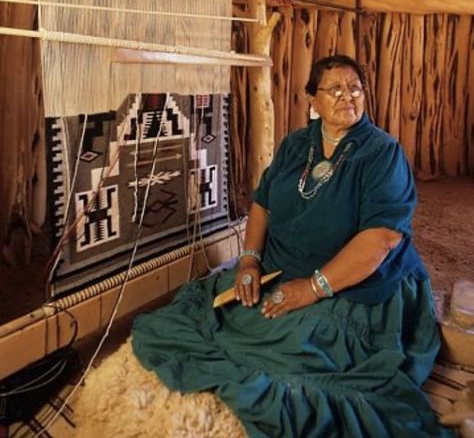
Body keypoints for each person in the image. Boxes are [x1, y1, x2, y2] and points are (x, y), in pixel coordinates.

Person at [132, 55, 454, 438]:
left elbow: (381, 238)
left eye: (354, 88)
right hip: (283, 266)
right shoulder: (296, 145)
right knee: (224, 310)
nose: (346, 96)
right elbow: (263, 202)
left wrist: (314, 288)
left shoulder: (382, 153)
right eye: (334, 89)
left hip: (358, 282)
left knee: (302, 346)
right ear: (312, 101)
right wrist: (250, 262)